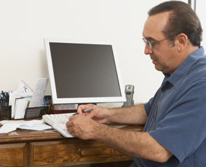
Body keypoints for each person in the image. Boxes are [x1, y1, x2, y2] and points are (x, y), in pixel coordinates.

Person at [66, 1, 206, 166]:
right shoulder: (177, 73)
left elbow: (159, 149)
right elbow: (149, 111)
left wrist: (95, 130)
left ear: (181, 41)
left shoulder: (201, 83)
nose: (146, 51)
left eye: (152, 43)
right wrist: (106, 113)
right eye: (145, 42)